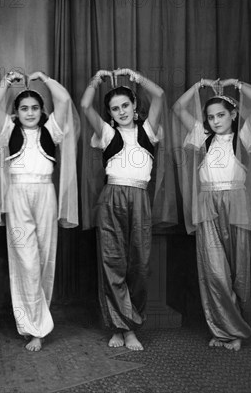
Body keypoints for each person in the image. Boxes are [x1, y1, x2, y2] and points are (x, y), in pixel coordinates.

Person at [173, 78, 251, 351]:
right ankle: (225, 328)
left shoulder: (243, 138)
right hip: (208, 204)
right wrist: (198, 87)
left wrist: (238, 85)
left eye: (221, 115)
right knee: (214, 271)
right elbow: (178, 109)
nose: (215, 121)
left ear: (233, 114)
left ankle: (234, 331)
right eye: (210, 117)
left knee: (236, 271)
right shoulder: (202, 138)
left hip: (236, 203)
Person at [0, 70, 79, 352]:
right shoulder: (8, 130)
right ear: (16, 112)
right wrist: (7, 82)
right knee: (24, 261)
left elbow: (64, 101)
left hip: (45, 194)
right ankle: (31, 325)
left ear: (42, 111)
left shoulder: (51, 130)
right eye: (24, 108)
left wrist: (45, 80)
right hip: (17, 194)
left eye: (35, 108)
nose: (30, 113)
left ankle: (38, 323)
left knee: (45, 258)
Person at [81, 68, 170, 351]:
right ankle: (119, 328)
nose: (121, 112)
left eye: (125, 106)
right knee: (112, 263)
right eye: (114, 108)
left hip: (139, 199)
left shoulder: (147, 130)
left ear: (134, 107)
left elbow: (160, 96)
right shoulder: (107, 133)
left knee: (139, 264)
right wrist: (96, 81)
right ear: (109, 113)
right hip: (111, 198)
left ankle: (131, 325)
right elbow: (84, 106)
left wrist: (135, 77)